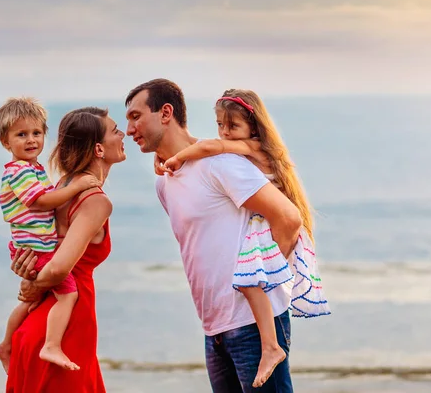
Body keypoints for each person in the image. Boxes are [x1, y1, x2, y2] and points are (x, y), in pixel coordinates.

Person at [125, 79, 300, 392]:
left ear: (166, 113)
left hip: (252, 326)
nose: (129, 129)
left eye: (136, 116)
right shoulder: (164, 183)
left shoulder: (220, 164)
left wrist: (266, 272)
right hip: (214, 331)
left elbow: (287, 218)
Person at [157, 89, 331, 386]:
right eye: (220, 125)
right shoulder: (243, 148)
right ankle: (270, 345)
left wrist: (177, 157)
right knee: (249, 282)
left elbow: (208, 147)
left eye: (232, 126)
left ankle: (271, 346)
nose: (225, 133)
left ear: (253, 125)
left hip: (262, 227)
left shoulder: (251, 147)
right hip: (256, 232)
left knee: (249, 281)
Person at [6, 107, 126, 393]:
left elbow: (38, 245)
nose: (123, 135)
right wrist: (34, 286)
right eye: (115, 130)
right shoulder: (95, 201)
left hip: (39, 324)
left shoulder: (62, 187)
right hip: (68, 327)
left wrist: (32, 279)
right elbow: (60, 267)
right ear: (98, 148)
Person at [0, 97, 102, 373]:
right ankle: (51, 345)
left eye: (36, 133)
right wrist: (78, 186)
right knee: (67, 294)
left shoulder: (33, 169)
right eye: (21, 135)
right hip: (36, 248)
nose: (31, 140)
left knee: (32, 299)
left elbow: (49, 199)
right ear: (6, 142)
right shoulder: (19, 171)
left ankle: (5, 344)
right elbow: (41, 201)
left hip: (34, 246)